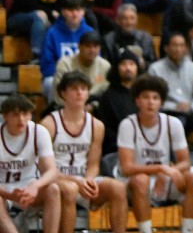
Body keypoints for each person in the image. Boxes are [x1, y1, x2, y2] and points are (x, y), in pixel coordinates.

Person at [42, 70, 128, 233]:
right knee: (70, 189)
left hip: (82, 181)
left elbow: (94, 164)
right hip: (56, 181)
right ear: (63, 93)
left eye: (83, 88)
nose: (79, 92)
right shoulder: (49, 124)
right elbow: (44, 168)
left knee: (118, 188)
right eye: (74, 88)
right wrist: (75, 181)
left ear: (89, 93)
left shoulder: (97, 125)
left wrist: (88, 180)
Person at [117, 75, 193, 233]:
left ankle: (188, 230)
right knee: (141, 180)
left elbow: (185, 162)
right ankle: (146, 230)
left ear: (161, 102)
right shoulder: (128, 124)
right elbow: (126, 168)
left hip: (164, 180)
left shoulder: (173, 123)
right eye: (145, 97)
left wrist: (168, 172)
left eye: (155, 98)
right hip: (135, 183)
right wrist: (161, 169)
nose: (150, 102)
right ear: (137, 101)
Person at [0, 95, 61, 233]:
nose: (21, 119)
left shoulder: (39, 132)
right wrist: (9, 195)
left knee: (54, 189)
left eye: (25, 114)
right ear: (5, 116)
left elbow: (51, 170)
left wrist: (35, 185)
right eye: (15, 115)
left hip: (29, 186)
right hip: (3, 189)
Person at [148, 32, 193, 132]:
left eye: (181, 45)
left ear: (186, 49)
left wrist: (191, 106)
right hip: (166, 110)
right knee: (179, 122)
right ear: (166, 48)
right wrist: (175, 107)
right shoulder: (155, 69)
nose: (178, 49)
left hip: (190, 110)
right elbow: (152, 97)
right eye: (175, 45)